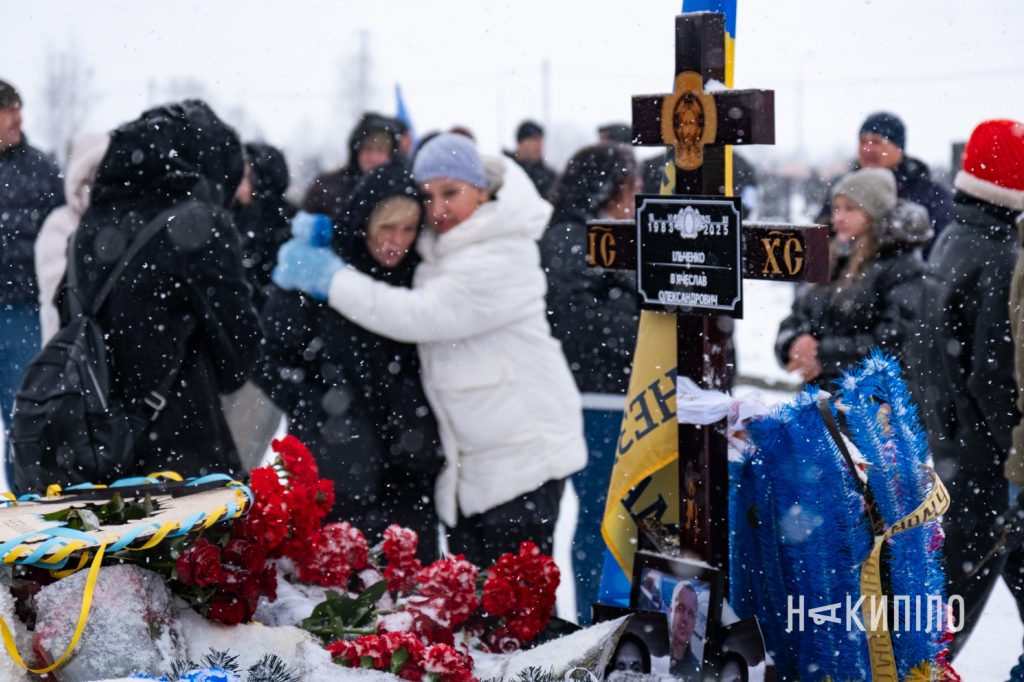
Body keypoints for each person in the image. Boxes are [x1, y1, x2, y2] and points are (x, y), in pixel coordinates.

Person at [272, 132, 587, 567]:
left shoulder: (500, 252)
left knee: (517, 610)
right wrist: (336, 238)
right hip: (478, 467)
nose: (438, 210)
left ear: (482, 190)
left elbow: (419, 314)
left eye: (451, 193)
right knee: (478, 612)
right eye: (428, 196)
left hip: (522, 458)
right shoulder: (446, 245)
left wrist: (331, 279)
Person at [65, 100, 261, 480]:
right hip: (183, 467)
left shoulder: (87, 226)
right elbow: (237, 361)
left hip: (93, 461)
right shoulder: (200, 227)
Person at [258, 161, 444, 560]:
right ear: (364, 222)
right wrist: (317, 407)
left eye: (409, 230)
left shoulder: (422, 279)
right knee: (339, 601)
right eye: (387, 228)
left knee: (414, 598)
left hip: (411, 470)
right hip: (335, 469)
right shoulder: (316, 278)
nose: (397, 241)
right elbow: (267, 357)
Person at [918, 119, 1024, 660]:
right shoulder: (1001, 255)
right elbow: (993, 378)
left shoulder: (954, 237)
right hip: (986, 468)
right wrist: (1014, 447)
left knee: (941, 610)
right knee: (943, 627)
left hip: (951, 451)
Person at [540, 142, 639, 621]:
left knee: (614, 519)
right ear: (608, 187)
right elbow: (575, 321)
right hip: (591, 398)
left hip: (610, 396)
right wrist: (643, 322)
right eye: (629, 186)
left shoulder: (599, 234)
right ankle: (593, 623)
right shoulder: (570, 238)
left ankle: (606, 618)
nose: (634, 197)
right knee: (603, 518)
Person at [776, 167, 931, 387]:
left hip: (873, 407)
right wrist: (792, 345)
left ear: (873, 214)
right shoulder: (831, 256)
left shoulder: (901, 265)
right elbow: (797, 315)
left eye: (850, 209)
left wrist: (823, 355)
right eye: (836, 208)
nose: (839, 217)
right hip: (819, 403)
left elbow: (896, 342)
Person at [0, 78, 64, 425]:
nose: (18, 119)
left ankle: (23, 482)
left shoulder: (42, 172)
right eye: (8, 110)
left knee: (24, 416)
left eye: (19, 109)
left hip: (21, 313)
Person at [815, 112, 952, 246]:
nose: (868, 149)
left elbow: (940, 249)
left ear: (899, 148)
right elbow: (819, 239)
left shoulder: (930, 194)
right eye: (863, 141)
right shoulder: (844, 190)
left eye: (877, 142)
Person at [35, 133, 110, 344]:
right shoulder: (60, 225)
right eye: (91, 173)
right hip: (67, 352)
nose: (97, 181)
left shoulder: (125, 225)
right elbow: (62, 297)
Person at [302, 112, 399, 227]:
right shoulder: (326, 187)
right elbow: (305, 232)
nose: (373, 157)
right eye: (368, 148)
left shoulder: (398, 189)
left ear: (391, 154)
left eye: (381, 149)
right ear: (356, 149)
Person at [232, 141, 296, 310]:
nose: (239, 184)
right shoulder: (232, 215)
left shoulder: (289, 221)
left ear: (262, 180)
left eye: (246, 177)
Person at [505, 120, 556, 198]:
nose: (539, 145)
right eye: (534, 140)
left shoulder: (549, 177)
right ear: (520, 142)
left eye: (541, 140)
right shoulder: (506, 170)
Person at [668, 581, 701, 679]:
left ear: (694, 624)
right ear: (671, 612)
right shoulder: (654, 657)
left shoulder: (698, 672)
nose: (685, 619)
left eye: (691, 614)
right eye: (680, 608)